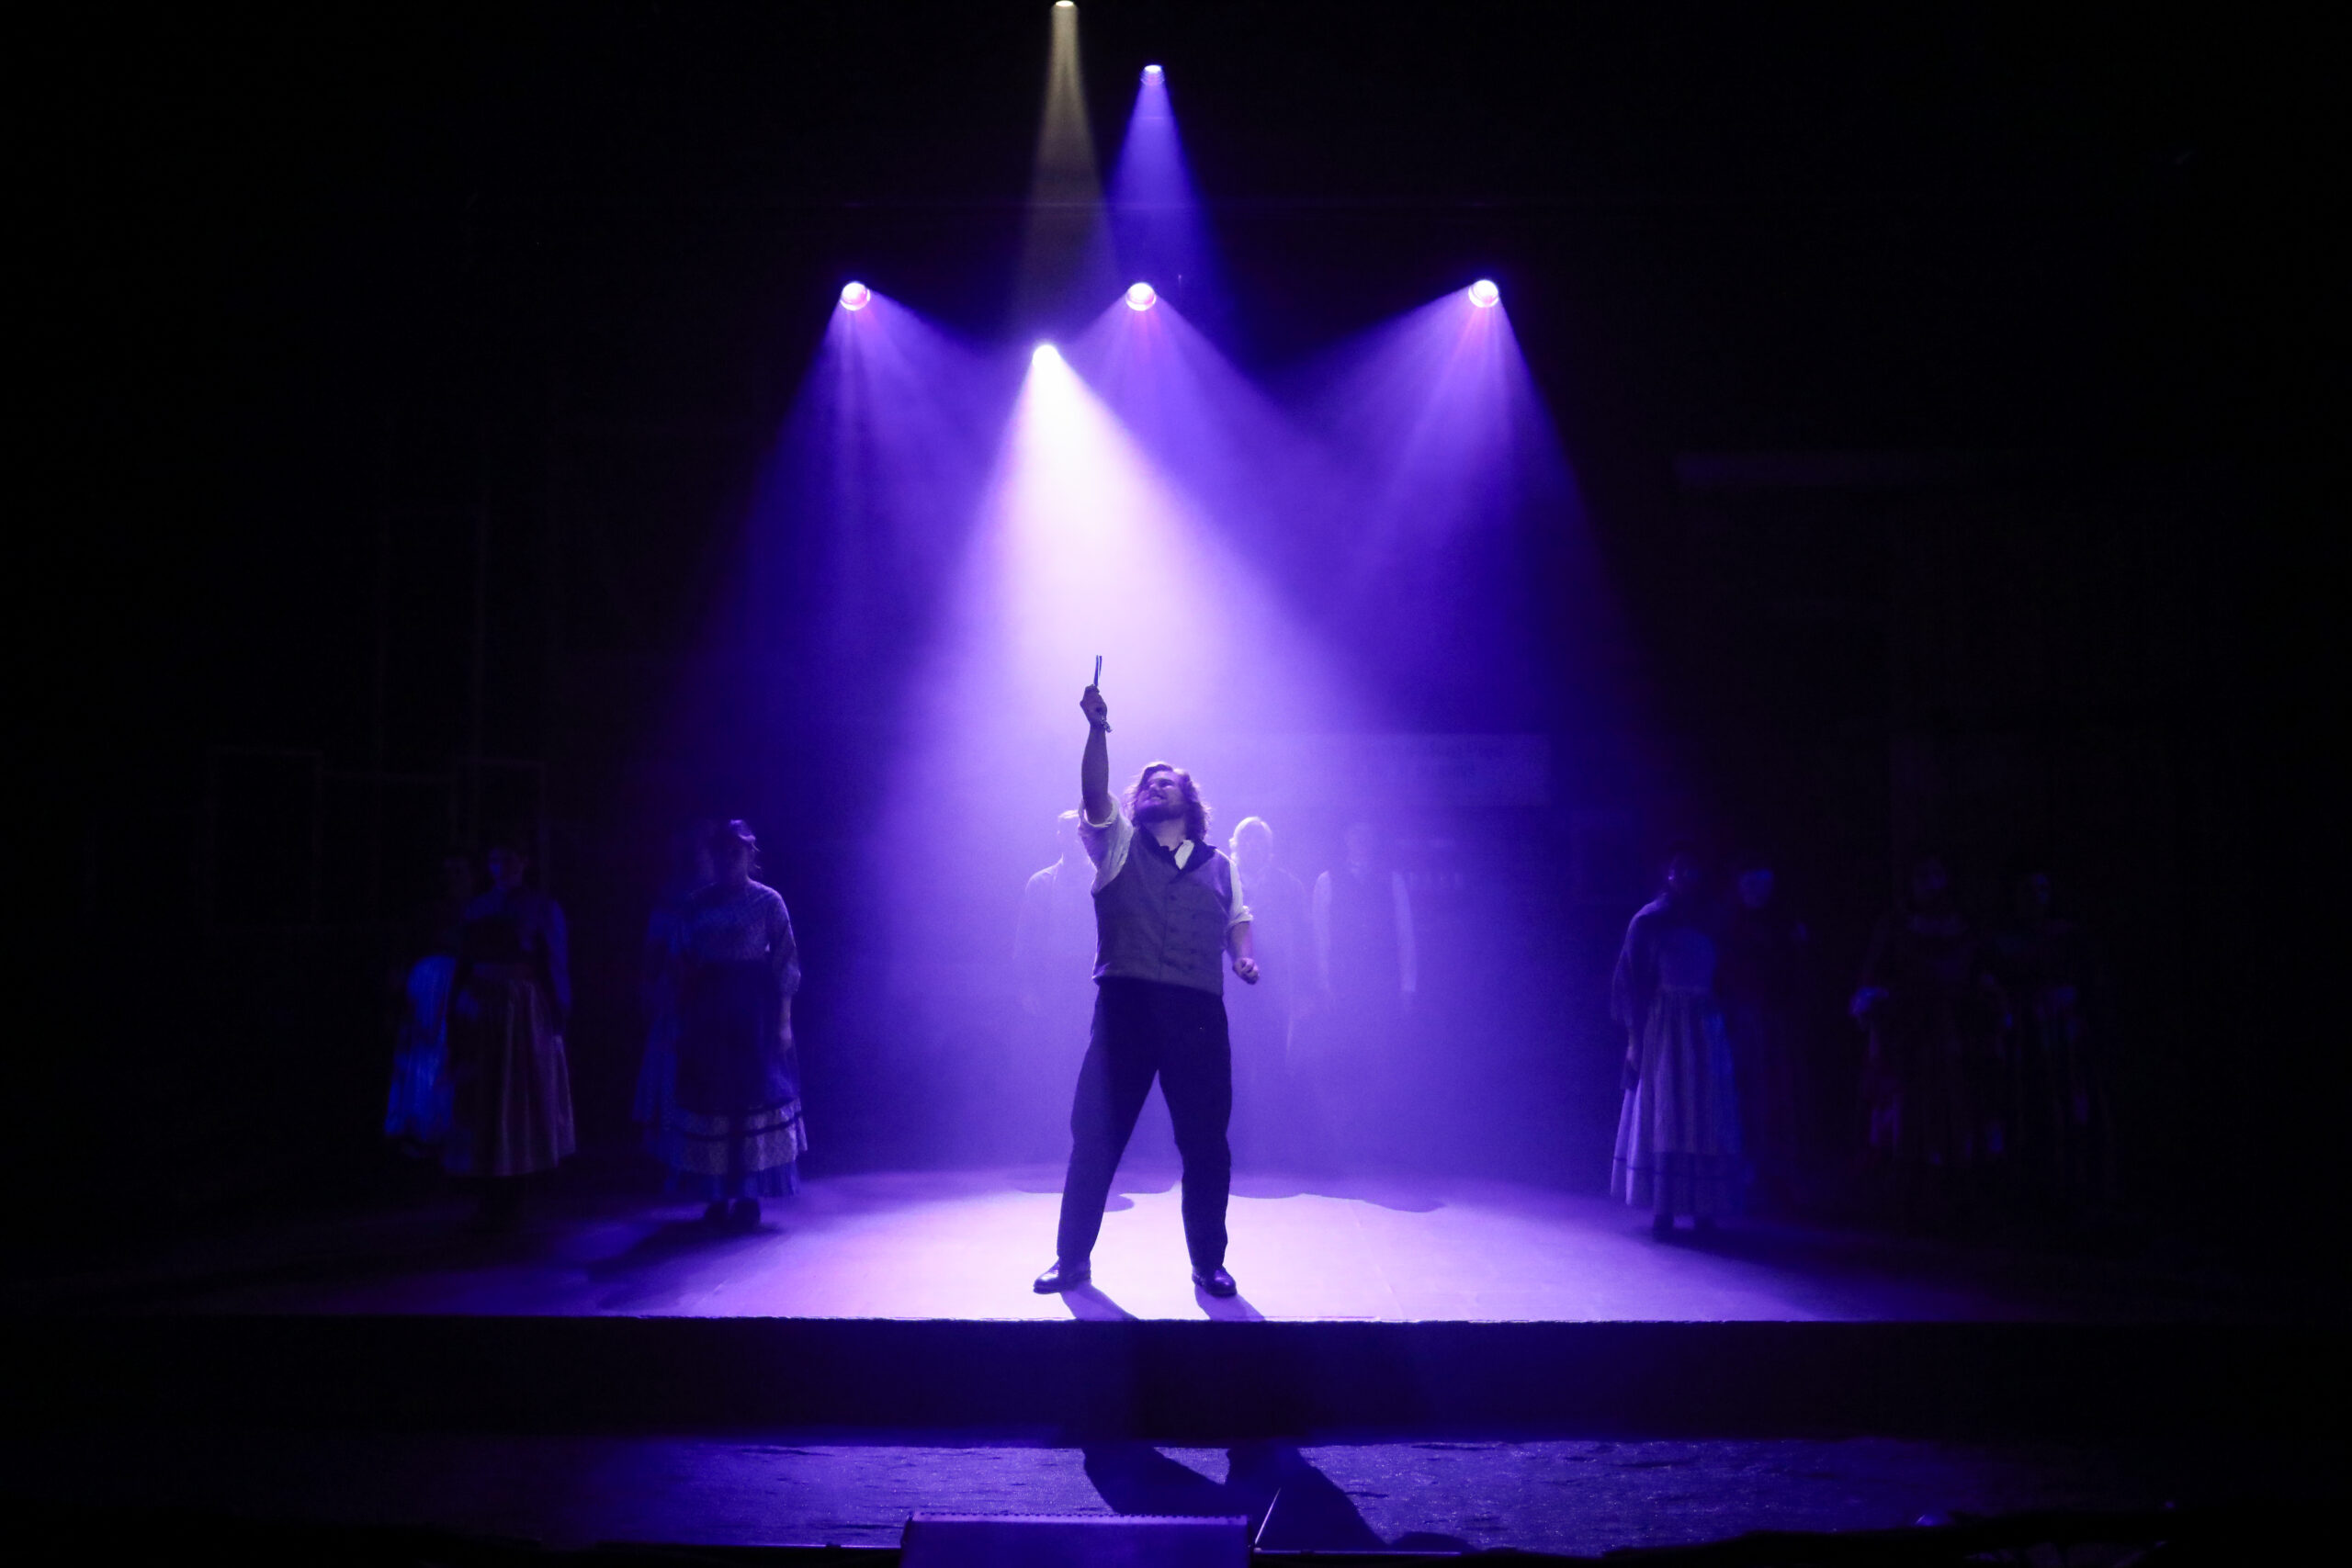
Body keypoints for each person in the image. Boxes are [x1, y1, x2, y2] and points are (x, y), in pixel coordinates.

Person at [1035, 682, 1258, 1298]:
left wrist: (1243, 955)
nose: (1154, 785)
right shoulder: (1117, 844)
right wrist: (1098, 729)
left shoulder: (1219, 863)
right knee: (1097, 1134)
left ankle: (1208, 1262)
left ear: (1189, 798)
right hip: (1127, 1006)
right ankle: (1071, 1259)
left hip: (1197, 1011)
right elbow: (1091, 793)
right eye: (1148, 781)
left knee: (1206, 1142)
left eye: (1168, 781)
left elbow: (1239, 915)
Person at [658, 819, 807, 1228]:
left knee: (750, 1099)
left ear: (749, 855)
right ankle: (716, 1192)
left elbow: (786, 962)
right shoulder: (695, 905)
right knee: (712, 1100)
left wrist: (783, 1022)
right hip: (708, 1011)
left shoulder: (768, 902)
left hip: (751, 1011)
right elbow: (678, 964)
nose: (729, 857)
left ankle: (748, 1193)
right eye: (722, 850)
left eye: (736, 851)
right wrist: (677, 1018)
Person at [1852, 853, 2008, 1229]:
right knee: (1909, 1114)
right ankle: (1909, 1201)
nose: (1930, 883)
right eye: (1922, 875)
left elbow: (1983, 973)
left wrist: (1990, 1003)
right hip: (1909, 1032)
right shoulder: (1896, 926)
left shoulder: (1966, 927)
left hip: (1958, 1032)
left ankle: (1960, 1200)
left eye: (1937, 874)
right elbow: (1873, 977)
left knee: (1959, 1112)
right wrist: (1879, 1004)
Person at [1611, 847, 1742, 1235]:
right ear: (1668, 871)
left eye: (1695, 867)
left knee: (1705, 1112)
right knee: (1666, 1109)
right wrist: (1635, 1038)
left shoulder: (1715, 919)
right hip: (1666, 1026)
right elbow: (1630, 982)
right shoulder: (1650, 921)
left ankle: (1705, 1207)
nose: (1688, 875)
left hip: (1705, 1022)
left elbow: (1728, 974)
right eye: (1681, 867)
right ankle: (1664, 1207)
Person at [445, 835, 576, 1224]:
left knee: (517, 1094)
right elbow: (463, 962)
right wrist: (457, 1007)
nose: (505, 867)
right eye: (496, 860)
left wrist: (557, 1013)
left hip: (522, 1010)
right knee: (486, 1096)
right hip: (484, 1009)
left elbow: (555, 963)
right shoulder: (477, 907)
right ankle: (487, 1186)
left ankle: (517, 1186)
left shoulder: (541, 907)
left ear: (524, 861)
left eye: (512, 859)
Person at [1990, 866, 2112, 1220]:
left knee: (2069, 1105)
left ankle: (2074, 1190)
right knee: (2026, 1105)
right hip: (2023, 1032)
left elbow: (2092, 985)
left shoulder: (2070, 937)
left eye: (2042, 888)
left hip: (2063, 1034)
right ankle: (2029, 1193)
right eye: (2027, 888)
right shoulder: (2002, 940)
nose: (2036, 896)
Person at [1308, 821, 1418, 1166]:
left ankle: (1377, 1142)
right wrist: (1324, 985)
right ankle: (1345, 1144)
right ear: (1346, 840)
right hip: (1343, 988)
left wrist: (1407, 985)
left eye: (1366, 835)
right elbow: (1320, 938)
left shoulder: (1392, 880)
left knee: (1380, 1060)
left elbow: (1405, 933)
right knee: (1344, 1063)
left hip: (1381, 986)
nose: (1360, 841)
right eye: (1354, 835)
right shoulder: (1327, 880)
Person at [1716, 851, 1811, 1213]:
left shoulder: (1784, 925)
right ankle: (1747, 1172)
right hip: (1741, 1020)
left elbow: (1799, 972)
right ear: (1739, 885)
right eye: (1750, 883)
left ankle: (1778, 1173)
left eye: (1764, 884)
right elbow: (1722, 974)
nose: (1758, 891)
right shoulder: (1728, 926)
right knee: (1747, 1094)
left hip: (1777, 1019)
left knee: (1780, 1095)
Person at [1014, 809, 1107, 1162]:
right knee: (1052, 1062)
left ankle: (1092, 1143)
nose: (1074, 839)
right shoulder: (1041, 882)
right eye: (1067, 832)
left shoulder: (1103, 879)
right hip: (1055, 983)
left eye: (1079, 833)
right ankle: (1053, 1142)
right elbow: (1026, 940)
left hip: (1093, 982)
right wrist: (1027, 986)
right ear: (1058, 837)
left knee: (1092, 1062)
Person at [1227, 817, 1307, 1169]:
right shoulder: (1223, 881)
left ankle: (1277, 1149)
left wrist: (1305, 990)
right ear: (1236, 844)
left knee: (1276, 1066)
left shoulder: (1289, 886)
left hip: (1275, 991)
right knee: (1235, 1066)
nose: (1253, 846)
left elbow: (1305, 940)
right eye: (1247, 839)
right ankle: (1237, 1148)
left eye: (1260, 840)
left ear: (1270, 846)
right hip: (1231, 988)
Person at [383, 850, 476, 1152]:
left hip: (464, 986)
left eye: (460, 870)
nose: (453, 878)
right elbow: (404, 949)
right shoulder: (426, 912)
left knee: (456, 1054)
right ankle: (422, 1128)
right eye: (448, 871)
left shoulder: (478, 909)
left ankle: (452, 1129)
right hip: (427, 988)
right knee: (424, 1057)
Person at [634, 820, 714, 1154]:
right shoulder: (670, 898)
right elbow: (654, 949)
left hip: (712, 997)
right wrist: (649, 985)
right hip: (677, 997)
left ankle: (708, 1153)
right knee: (671, 1072)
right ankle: (674, 1154)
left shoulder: (721, 895)